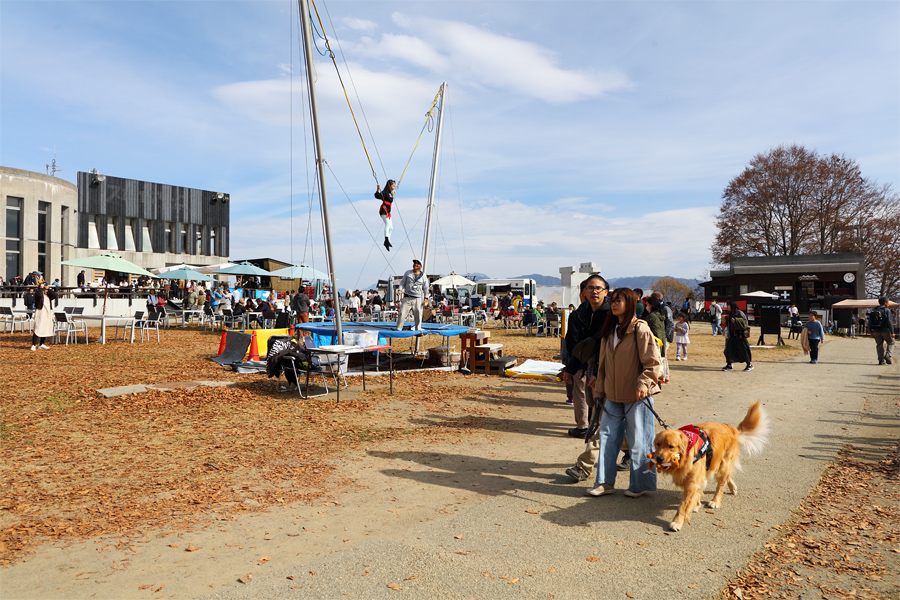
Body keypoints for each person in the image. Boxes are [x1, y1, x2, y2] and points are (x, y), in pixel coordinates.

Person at [586, 287, 662, 498]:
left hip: (637, 396)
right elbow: (602, 366)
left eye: (619, 300)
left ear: (630, 303)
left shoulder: (640, 329)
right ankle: (604, 483)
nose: (614, 304)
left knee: (640, 442)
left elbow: (652, 363)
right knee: (607, 439)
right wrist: (599, 390)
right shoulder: (609, 331)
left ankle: (641, 484)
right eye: (613, 300)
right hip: (612, 395)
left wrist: (644, 384)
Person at [561, 275, 609, 438]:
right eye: (590, 288)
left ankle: (599, 429)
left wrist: (597, 370)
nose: (594, 291)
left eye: (598, 288)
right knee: (583, 393)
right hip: (583, 361)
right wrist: (572, 367)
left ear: (605, 292)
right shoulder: (578, 314)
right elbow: (573, 342)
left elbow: (602, 342)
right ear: (584, 292)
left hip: (606, 363)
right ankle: (584, 426)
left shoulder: (612, 314)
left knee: (604, 400)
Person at [396, 259, 427, 331]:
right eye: (414, 263)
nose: (415, 264)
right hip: (407, 297)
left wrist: (426, 298)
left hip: (418, 298)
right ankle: (398, 329)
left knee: (418, 314)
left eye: (417, 263)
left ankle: (418, 329)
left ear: (420, 266)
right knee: (402, 313)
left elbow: (426, 287)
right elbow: (402, 282)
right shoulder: (408, 273)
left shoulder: (423, 275)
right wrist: (400, 289)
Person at [723, 301, 753, 371]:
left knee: (743, 350)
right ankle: (729, 365)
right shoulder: (730, 313)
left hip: (739, 336)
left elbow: (745, 322)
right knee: (728, 350)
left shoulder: (739, 313)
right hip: (731, 336)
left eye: (728, 305)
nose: (727, 307)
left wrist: (736, 320)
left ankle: (749, 365)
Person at [867, 297, 895, 365]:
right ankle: (888, 355)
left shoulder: (873, 310)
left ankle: (881, 360)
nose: (888, 304)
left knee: (879, 345)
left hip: (876, 330)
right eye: (888, 302)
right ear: (885, 303)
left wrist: (870, 330)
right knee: (891, 342)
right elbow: (889, 321)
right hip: (885, 330)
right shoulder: (886, 310)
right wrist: (892, 332)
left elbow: (870, 321)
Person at [30, 282, 57, 351]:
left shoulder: (48, 294)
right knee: (38, 327)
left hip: (47, 312)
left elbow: (55, 295)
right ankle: (33, 345)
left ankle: (41, 344)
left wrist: (48, 289)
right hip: (40, 311)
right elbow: (39, 295)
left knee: (45, 327)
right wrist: (41, 288)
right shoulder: (37, 292)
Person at [375, 179, 396, 251]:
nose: (394, 187)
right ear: (389, 186)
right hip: (384, 211)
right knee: (387, 224)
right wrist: (377, 189)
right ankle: (386, 240)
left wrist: (393, 195)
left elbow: (390, 199)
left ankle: (387, 242)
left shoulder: (390, 193)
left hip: (388, 212)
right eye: (393, 186)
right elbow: (377, 195)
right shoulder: (384, 192)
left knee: (391, 227)